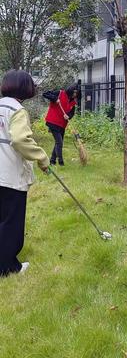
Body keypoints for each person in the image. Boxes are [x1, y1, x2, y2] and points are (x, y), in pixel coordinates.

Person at [0, 70, 49, 277]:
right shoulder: (17, 110)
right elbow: (20, 140)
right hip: (9, 175)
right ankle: (8, 267)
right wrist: (42, 157)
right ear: (25, 88)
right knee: (11, 223)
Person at [43, 84, 80, 166]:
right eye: (74, 92)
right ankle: (61, 162)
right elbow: (45, 94)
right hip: (53, 121)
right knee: (59, 142)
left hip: (62, 124)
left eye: (76, 93)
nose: (75, 94)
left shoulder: (73, 102)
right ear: (70, 90)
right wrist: (55, 99)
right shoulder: (60, 93)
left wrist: (68, 116)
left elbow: (71, 113)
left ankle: (52, 161)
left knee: (58, 142)